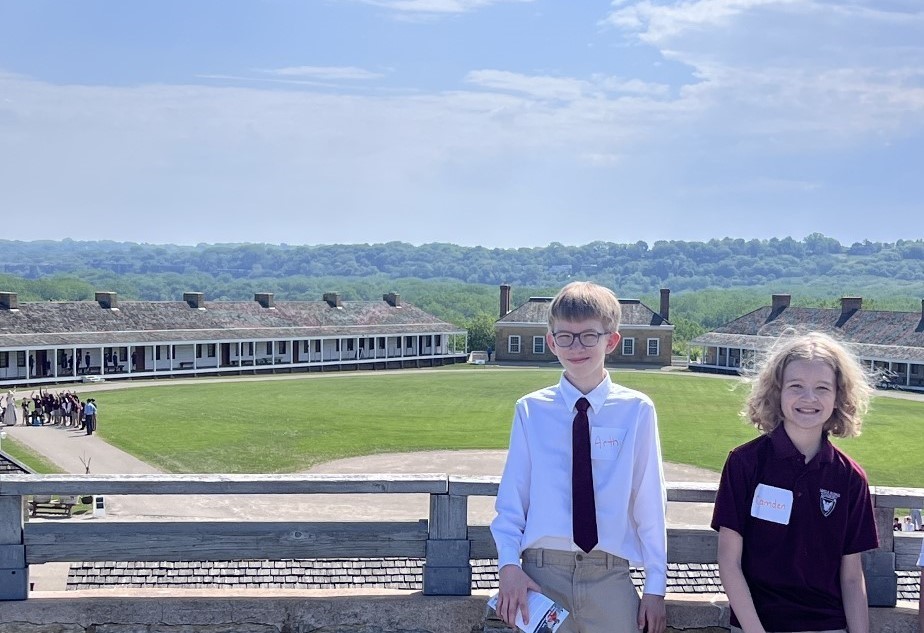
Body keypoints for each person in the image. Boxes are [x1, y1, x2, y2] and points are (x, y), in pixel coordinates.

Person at [491, 281, 667, 633]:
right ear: (551, 341)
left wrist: (655, 588)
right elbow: (512, 500)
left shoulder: (636, 410)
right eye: (565, 336)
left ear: (611, 340)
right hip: (541, 575)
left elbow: (650, 501)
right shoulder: (530, 410)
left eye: (589, 335)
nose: (576, 346)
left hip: (610, 575)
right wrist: (509, 566)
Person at [712, 331, 878, 633]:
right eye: (796, 386)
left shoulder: (850, 478)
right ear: (777, 391)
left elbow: (852, 578)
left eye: (822, 388)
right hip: (757, 625)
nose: (809, 398)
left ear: (839, 396)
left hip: (828, 626)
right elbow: (729, 562)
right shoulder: (745, 463)